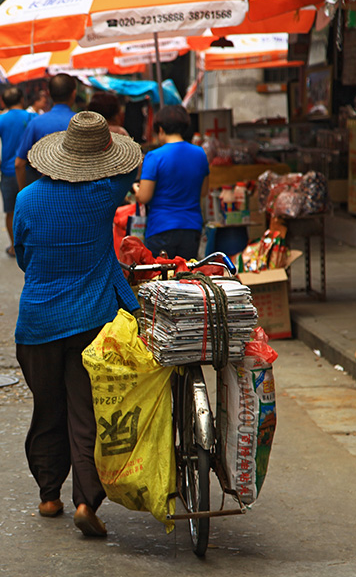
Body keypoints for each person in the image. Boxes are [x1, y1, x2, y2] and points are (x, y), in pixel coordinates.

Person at [13, 111, 143, 538]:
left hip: (37, 321)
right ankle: (86, 500)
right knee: (84, 413)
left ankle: (49, 494)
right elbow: (131, 165)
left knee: (46, 409)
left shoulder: (27, 198)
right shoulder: (105, 194)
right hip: (91, 321)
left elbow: (25, 255)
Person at [136, 105, 209, 260]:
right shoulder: (200, 154)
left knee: (160, 281)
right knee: (186, 279)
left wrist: (137, 189)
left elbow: (144, 197)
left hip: (161, 228)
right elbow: (203, 192)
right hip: (191, 228)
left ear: (160, 129)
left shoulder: (154, 157)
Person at [0, 86, 31, 257]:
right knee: (33, 210)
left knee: (10, 210)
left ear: (4, 101)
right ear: (22, 100)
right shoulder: (32, 117)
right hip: (30, 172)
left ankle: (14, 247)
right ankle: (31, 245)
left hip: (9, 172)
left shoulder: (0, 120)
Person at [15, 74, 76, 191]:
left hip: (44, 191)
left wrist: (23, 193)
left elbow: (19, 163)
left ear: (49, 94)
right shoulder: (83, 123)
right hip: (79, 192)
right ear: (73, 93)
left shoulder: (36, 123)